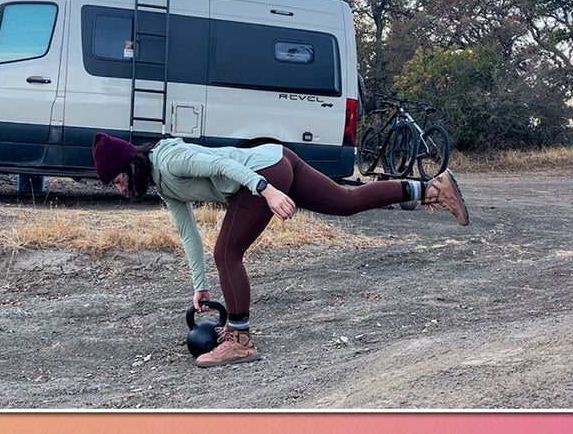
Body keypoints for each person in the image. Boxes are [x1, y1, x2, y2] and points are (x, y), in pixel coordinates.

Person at [91, 132, 468, 367]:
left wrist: (265, 190)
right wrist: (199, 285)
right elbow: (187, 230)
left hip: (264, 175)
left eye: (120, 180)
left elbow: (221, 162)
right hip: (276, 158)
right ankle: (430, 189)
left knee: (227, 253)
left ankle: (239, 341)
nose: (121, 188)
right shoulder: (163, 183)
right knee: (345, 201)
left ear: (131, 164)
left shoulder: (170, 160)